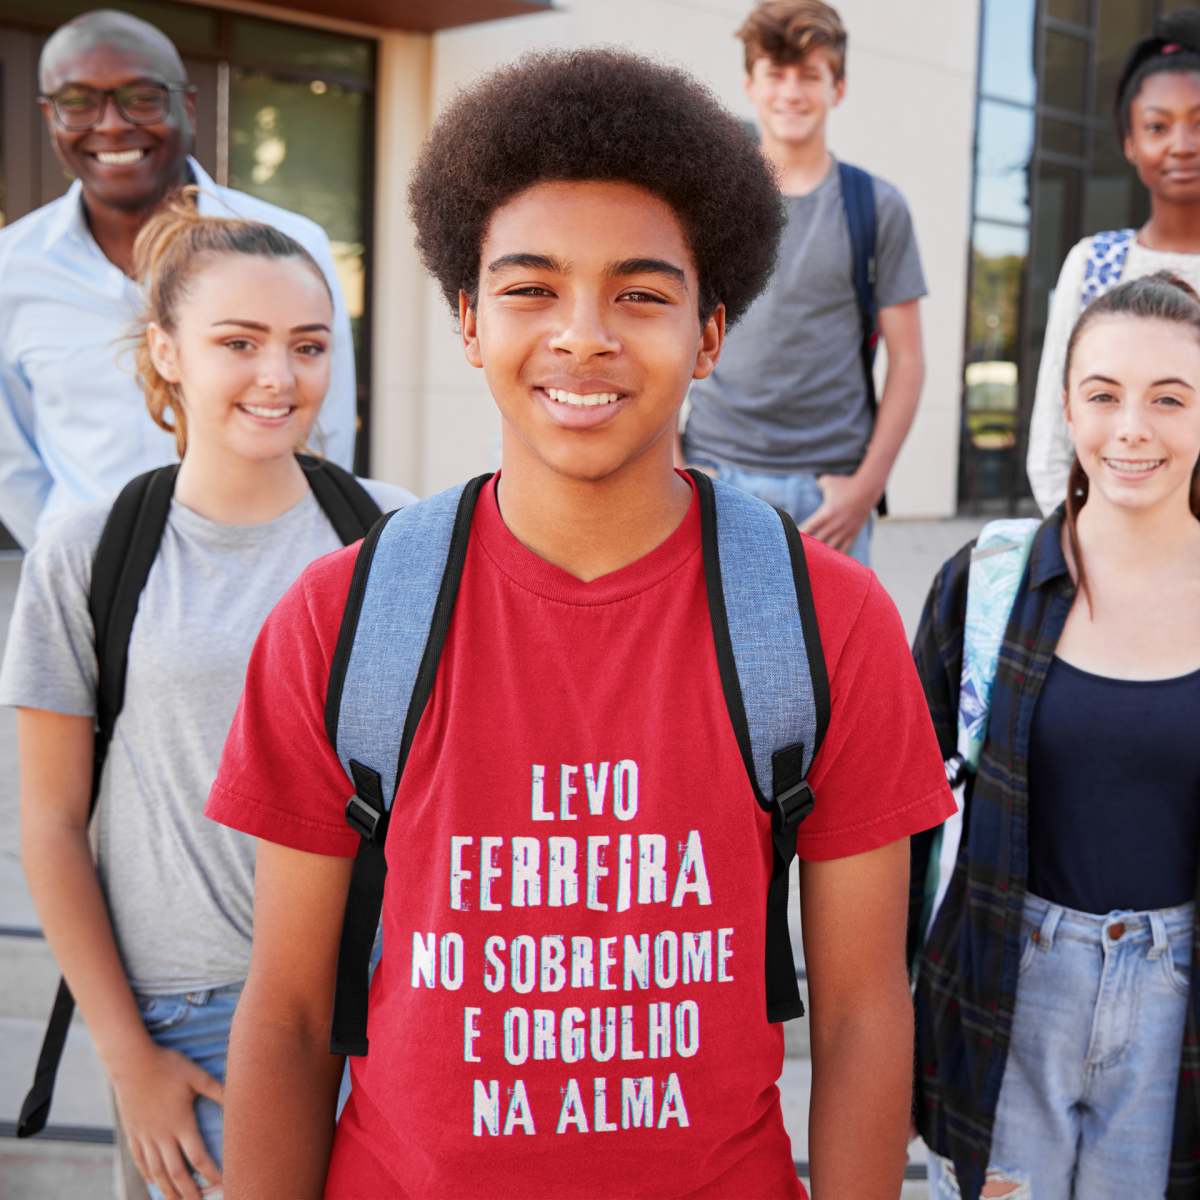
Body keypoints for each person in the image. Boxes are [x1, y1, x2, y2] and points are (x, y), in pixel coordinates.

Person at [205, 47, 954, 1199]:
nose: (585, 335)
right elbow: (293, 1016)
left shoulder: (823, 620)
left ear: (710, 333)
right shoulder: (343, 620)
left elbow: (860, 1013)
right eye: (531, 288)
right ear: (466, 318)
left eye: (642, 294)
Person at [0, 199, 413, 1200]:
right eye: (240, 342)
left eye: (308, 346)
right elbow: (53, 827)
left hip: (388, 1009)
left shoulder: (398, 533)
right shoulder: (89, 550)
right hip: (189, 1021)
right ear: (167, 352)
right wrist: (128, 1055)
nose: (280, 377)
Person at [912, 272, 1200, 1199]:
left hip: (1176, 1011)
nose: (1132, 430)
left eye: (1170, 399)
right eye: (1104, 395)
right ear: (1067, 407)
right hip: (1010, 984)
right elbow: (905, 813)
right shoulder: (989, 584)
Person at [0, 8, 359, 550]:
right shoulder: (10, 270)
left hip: (268, 572)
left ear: (187, 107)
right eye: (78, 102)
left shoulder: (290, 245)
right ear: (49, 117)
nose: (112, 124)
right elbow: (11, 460)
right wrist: (70, 559)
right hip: (92, 587)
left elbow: (321, 429)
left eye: (141, 97)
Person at [678, 0, 925, 566]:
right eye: (776, 73)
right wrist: (676, 463)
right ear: (750, 84)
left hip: (830, 492)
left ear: (837, 88)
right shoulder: (711, 207)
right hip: (714, 476)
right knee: (712, 657)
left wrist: (867, 486)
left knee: (830, 657)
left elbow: (909, 362)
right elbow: (670, 331)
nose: (792, 92)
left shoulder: (877, 207)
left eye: (810, 75)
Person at [1027, 8, 1200, 515]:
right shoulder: (1093, 263)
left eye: (1198, 122)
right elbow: (1050, 441)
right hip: (1100, 554)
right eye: (1157, 125)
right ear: (1129, 141)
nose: (1181, 145)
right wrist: (1080, 546)